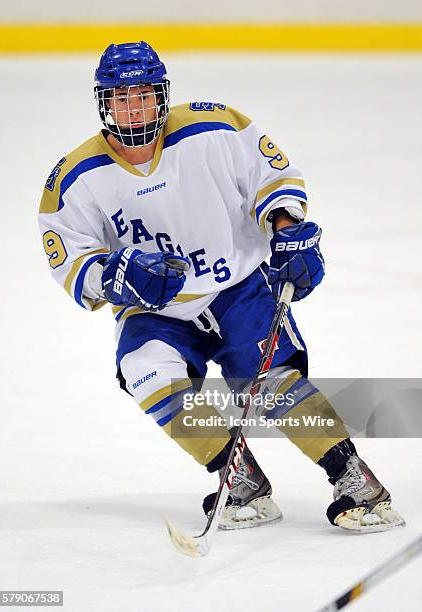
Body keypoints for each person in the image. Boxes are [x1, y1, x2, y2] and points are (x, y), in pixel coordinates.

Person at [39, 41, 403, 532]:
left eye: (143, 95)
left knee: (272, 382)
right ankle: (240, 478)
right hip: (158, 311)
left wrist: (285, 228)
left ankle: (354, 478)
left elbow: (271, 178)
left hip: (239, 285)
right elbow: (71, 257)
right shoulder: (75, 177)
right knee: (145, 370)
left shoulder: (214, 126)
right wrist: (116, 277)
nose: (134, 108)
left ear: (162, 95)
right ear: (104, 103)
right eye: (122, 98)